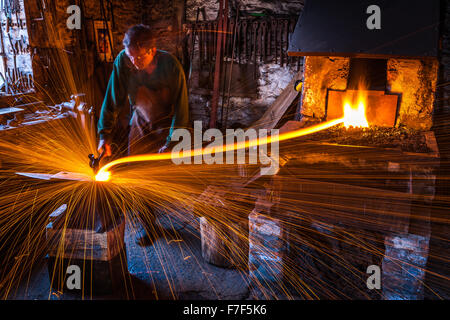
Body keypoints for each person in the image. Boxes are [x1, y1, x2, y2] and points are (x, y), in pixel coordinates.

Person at [97, 24, 190, 246]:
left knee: (160, 176)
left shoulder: (171, 66)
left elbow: (182, 107)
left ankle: (167, 215)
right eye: (131, 57)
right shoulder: (123, 62)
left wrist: (172, 141)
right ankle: (148, 225)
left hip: (167, 123)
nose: (134, 63)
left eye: (139, 58)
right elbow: (113, 99)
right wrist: (105, 136)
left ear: (152, 51)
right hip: (140, 121)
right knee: (138, 177)